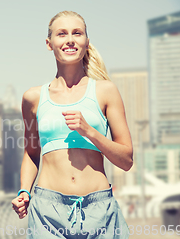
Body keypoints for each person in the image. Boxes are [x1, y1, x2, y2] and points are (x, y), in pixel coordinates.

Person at [11, 11, 133, 238]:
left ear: (86, 42)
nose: (69, 40)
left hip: (100, 212)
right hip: (48, 212)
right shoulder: (33, 98)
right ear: (49, 44)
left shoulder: (105, 91)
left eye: (77, 33)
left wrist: (89, 131)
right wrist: (24, 191)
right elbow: (31, 152)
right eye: (61, 34)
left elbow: (126, 160)